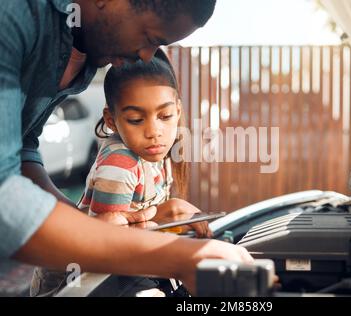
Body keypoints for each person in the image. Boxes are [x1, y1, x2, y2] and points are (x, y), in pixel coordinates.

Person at [0, 0, 253, 296]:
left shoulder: (85, 50)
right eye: (149, 38)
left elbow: (23, 144)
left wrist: (93, 225)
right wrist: (176, 257)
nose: (146, 56)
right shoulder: (14, 13)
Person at [30, 51, 214, 296]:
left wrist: (174, 220)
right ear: (112, 120)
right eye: (136, 119)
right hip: (73, 284)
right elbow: (110, 244)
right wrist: (165, 213)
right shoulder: (121, 163)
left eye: (165, 116)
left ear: (178, 111)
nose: (154, 131)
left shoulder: (157, 154)